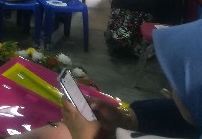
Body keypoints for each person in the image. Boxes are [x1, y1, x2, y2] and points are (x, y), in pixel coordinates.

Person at [62, 19, 202, 139]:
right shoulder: (190, 114)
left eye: (179, 81)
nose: (170, 87)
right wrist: (126, 119)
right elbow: (175, 116)